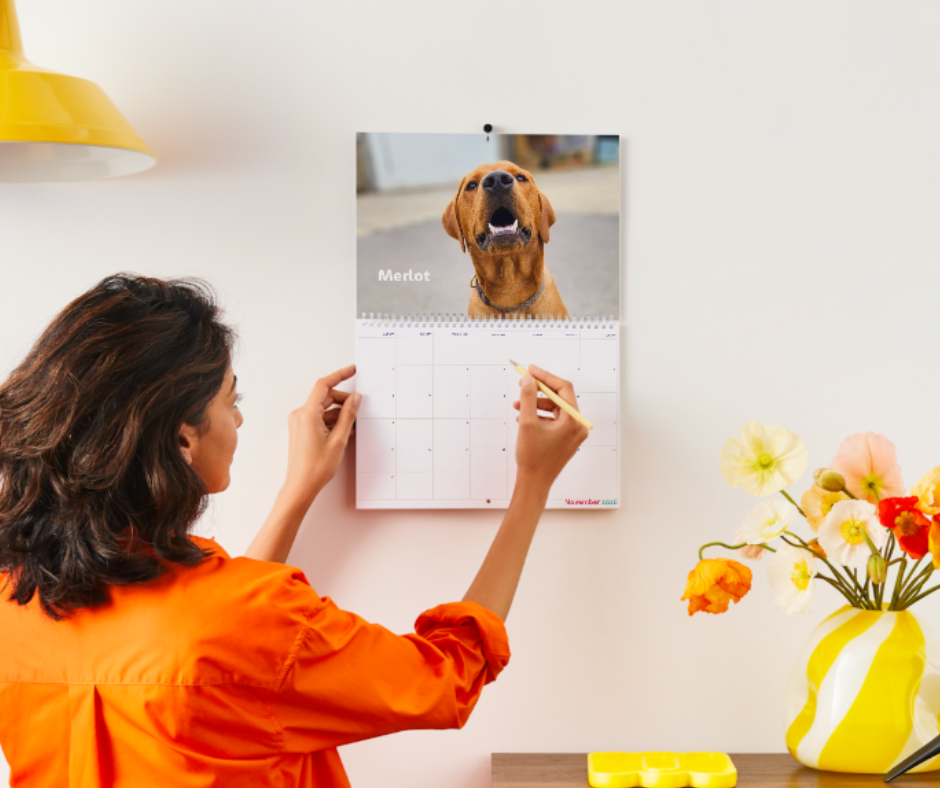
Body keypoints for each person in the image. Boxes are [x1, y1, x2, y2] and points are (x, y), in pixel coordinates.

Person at [0, 274, 588, 787]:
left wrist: (298, 491)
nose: (239, 417)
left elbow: (215, 655)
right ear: (183, 438)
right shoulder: (244, 618)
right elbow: (446, 678)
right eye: (231, 398)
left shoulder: (12, 597)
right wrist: (532, 484)